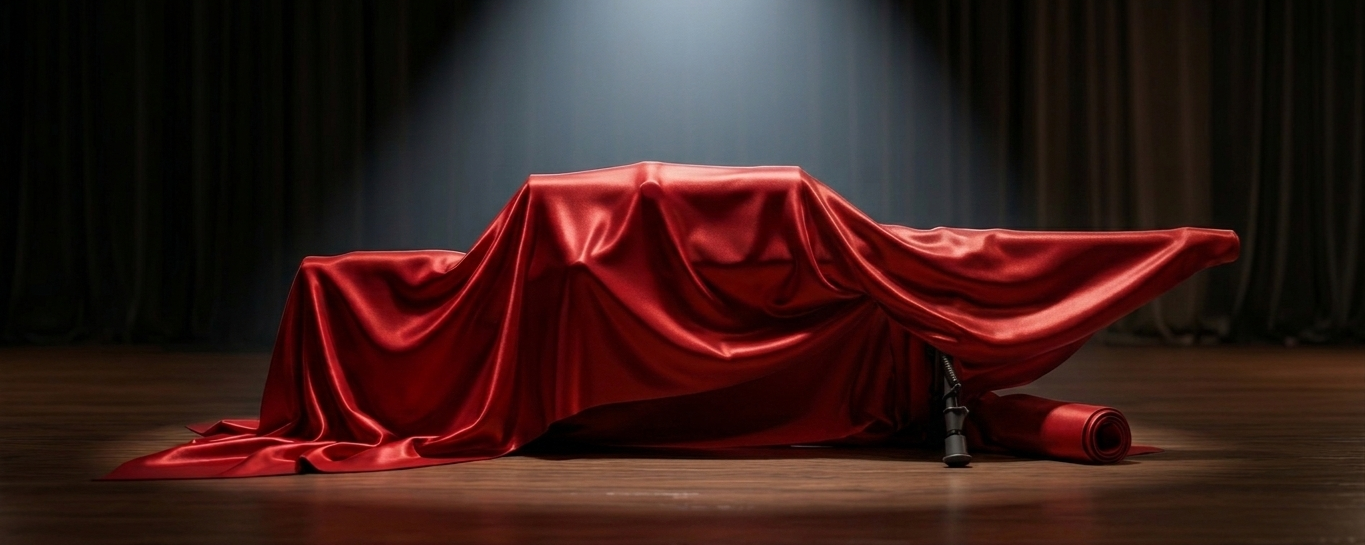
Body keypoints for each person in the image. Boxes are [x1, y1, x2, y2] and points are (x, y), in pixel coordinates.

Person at [105, 162, 1239, 479]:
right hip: (737, 243)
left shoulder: (773, 217)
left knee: (946, 263)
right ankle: (1166, 249)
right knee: (957, 265)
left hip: (789, 245)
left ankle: (1168, 247)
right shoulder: (581, 231)